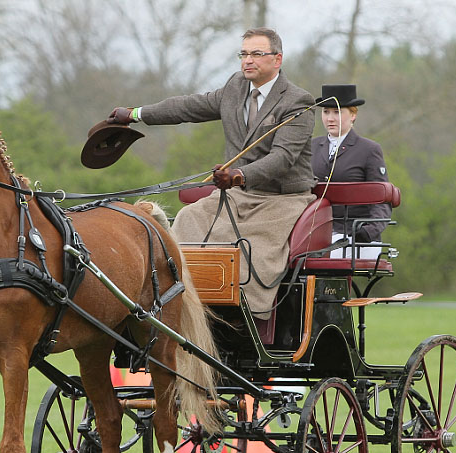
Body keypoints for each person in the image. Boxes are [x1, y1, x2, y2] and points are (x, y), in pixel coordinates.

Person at [107, 28, 316, 320]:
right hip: (236, 194)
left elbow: (282, 159)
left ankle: (244, 319)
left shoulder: (297, 102)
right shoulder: (234, 88)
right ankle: (175, 303)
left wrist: (238, 176)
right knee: (189, 218)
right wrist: (136, 114)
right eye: (243, 54)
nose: (248, 61)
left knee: (244, 248)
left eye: (257, 54)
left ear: (277, 59)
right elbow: (187, 107)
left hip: (281, 201)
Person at [311, 84, 391, 259]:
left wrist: (369, 231)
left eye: (337, 112)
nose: (330, 118)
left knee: (331, 253)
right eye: (326, 112)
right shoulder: (312, 147)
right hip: (315, 231)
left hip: (355, 236)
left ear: (353, 115)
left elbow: (382, 199)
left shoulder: (369, 150)